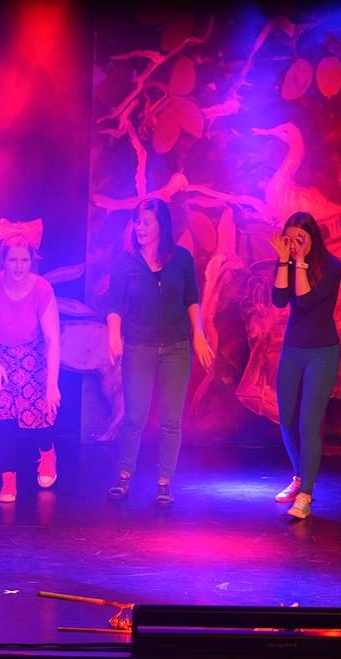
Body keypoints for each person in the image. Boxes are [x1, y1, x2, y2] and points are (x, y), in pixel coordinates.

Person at [105, 199, 214, 505]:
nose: (139, 227)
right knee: (134, 417)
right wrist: (113, 335)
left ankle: (165, 482)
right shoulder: (126, 262)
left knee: (171, 420)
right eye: (137, 222)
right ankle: (124, 476)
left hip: (176, 347)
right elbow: (114, 303)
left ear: (161, 225)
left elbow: (192, 299)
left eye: (146, 222)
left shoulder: (181, 258)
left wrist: (199, 335)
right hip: (139, 345)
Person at [0, 218, 60, 503]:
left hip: (30, 354)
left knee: (39, 410)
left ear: (32, 261)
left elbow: (52, 339)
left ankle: (47, 452)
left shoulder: (42, 289)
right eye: (13, 260)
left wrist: (51, 383)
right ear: (3, 261)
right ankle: (8, 477)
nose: (18, 266)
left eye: (24, 260)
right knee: (3, 417)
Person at [269, 211, 341, 520]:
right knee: (286, 419)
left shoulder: (332, 266)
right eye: (289, 239)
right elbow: (278, 300)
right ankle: (299, 476)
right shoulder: (286, 263)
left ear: (313, 237)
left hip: (322, 352)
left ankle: (306, 494)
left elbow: (306, 300)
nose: (294, 244)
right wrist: (284, 261)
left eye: (300, 238)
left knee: (308, 423)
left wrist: (298, 262)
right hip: (293, 350)